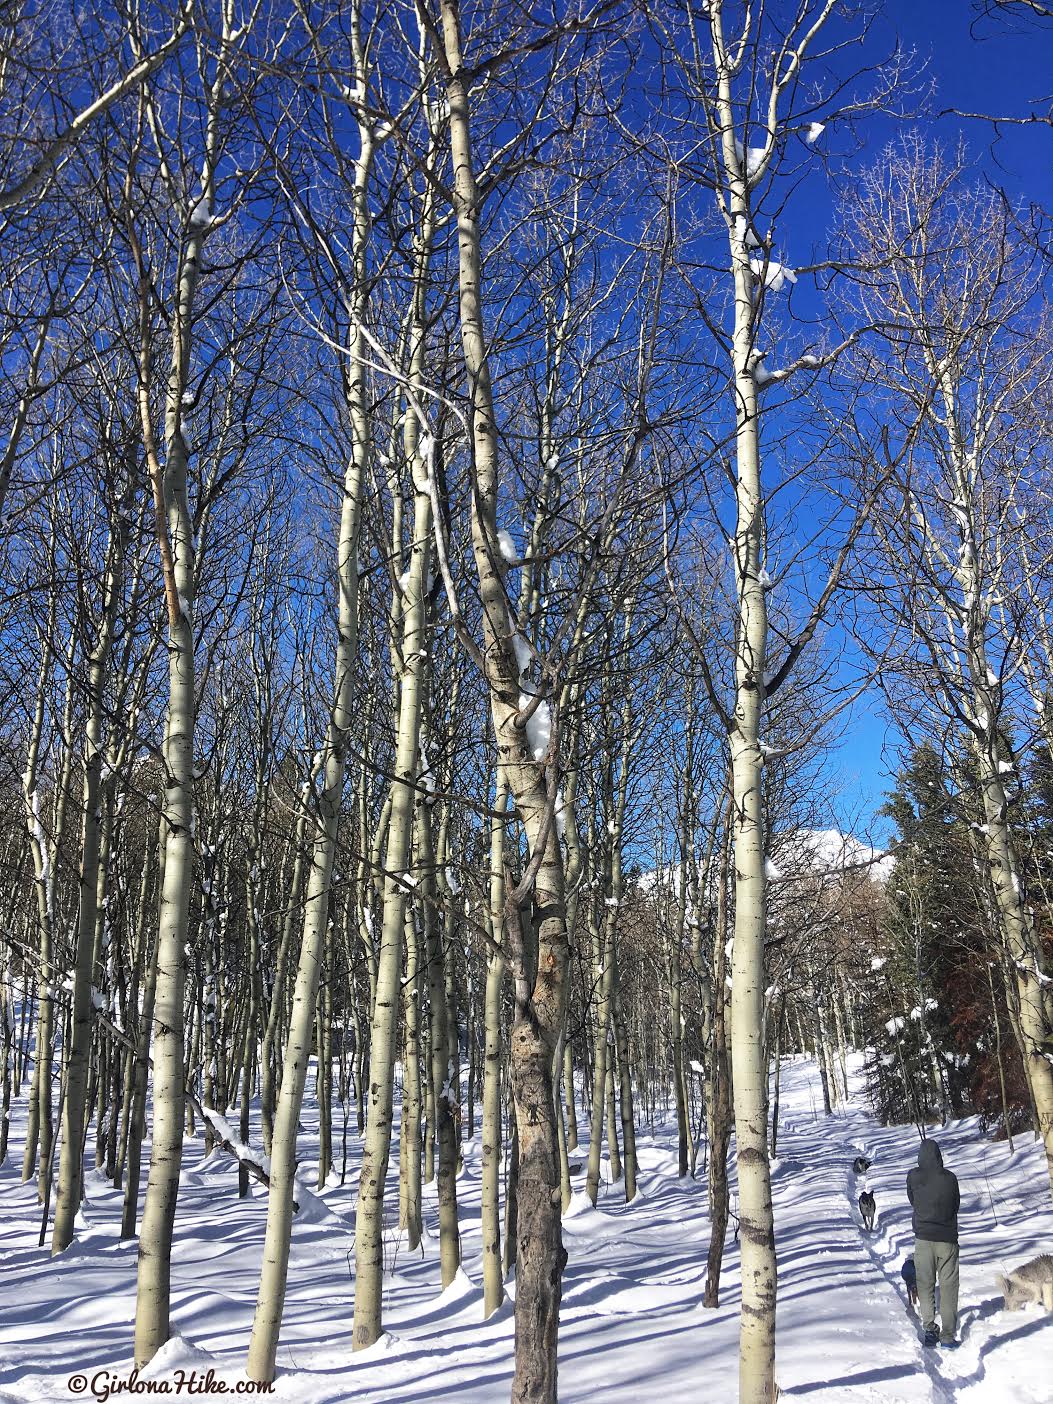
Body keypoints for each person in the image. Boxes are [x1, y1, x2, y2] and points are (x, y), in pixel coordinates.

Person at [906, 1139, 960, 1348]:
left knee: (925, 1285)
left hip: (923, 1239)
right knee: (948, 1287)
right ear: (939, 1155)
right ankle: (947, 1336)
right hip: (947, 1239)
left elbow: (912, 1200)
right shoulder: (950, 1178)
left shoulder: (913, 1176)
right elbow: (955, 1204)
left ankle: (929, 1329)